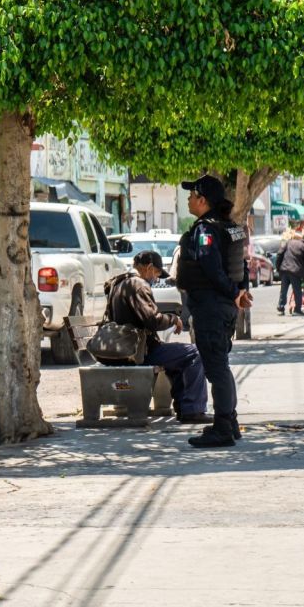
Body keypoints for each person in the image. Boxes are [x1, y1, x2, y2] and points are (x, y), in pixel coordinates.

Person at [176, 175, 252, 448]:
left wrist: (235, 293)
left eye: (191, 194)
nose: (188, 199)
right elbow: (241, 265)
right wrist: (240, 291)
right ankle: (229, 422)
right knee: (220, 365)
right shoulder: (229, 227)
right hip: (223, 306)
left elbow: (210, 266)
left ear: (203, 199)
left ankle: (222, 427)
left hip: (211, 305)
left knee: (216, 367)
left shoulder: (206, 230)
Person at [105, 250, 210, 422]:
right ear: (149, 267)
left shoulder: (120, 283)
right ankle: (192, 410)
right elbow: (152, 320)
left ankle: (186, 408)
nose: (156, 279)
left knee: (180, 356)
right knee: (195, 352)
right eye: (157, 274)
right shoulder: (138, 285)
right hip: (139, 352)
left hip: (124, 348)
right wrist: (173, 319)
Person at [276, 229, 304, 315]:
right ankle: (297, 310)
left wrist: (278, 267)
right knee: (297, 290)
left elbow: (279, 254)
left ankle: (280, 307)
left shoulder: (289, 242)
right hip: (296, 271)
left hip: (284, 269)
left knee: (283, 290)